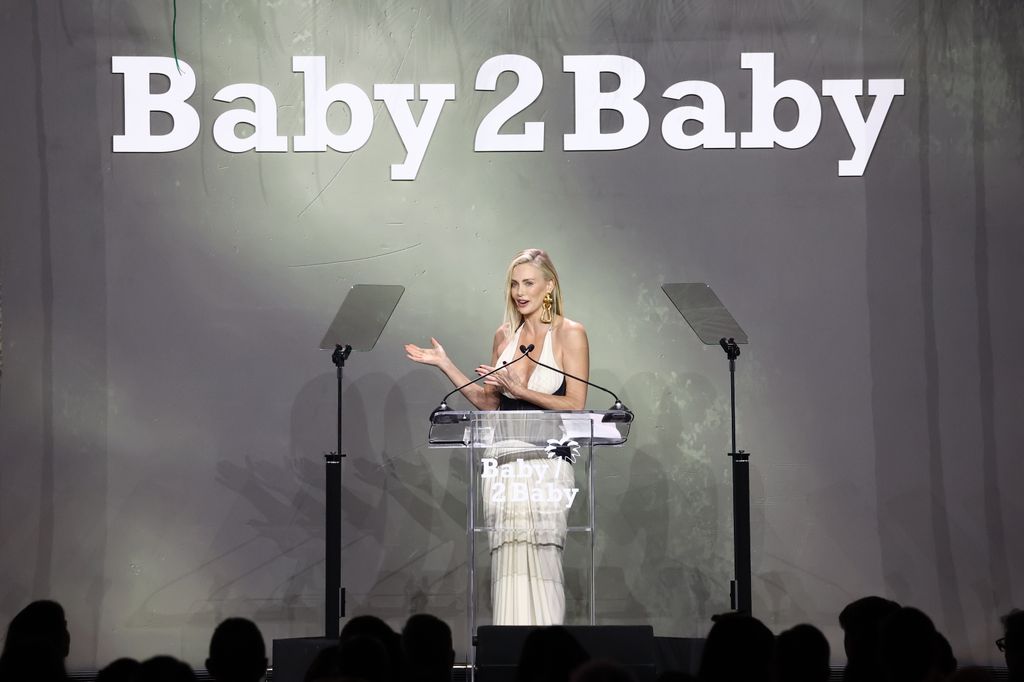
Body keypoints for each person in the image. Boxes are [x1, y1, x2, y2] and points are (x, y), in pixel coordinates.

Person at [406, 248, 590, 626]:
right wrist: (446, 364)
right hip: (503, 461)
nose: (520, 292)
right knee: (508, 564)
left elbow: (575, 404)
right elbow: (489, 404)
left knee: (541, 560)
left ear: (549, 285)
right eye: (514, 283)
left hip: (546, 464)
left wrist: (522, 391)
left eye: (528, 283)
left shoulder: (570, 333)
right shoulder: (504, 335)